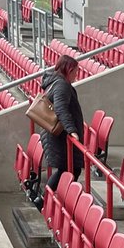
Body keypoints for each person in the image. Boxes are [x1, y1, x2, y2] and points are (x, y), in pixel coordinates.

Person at [38, 53, 84, 204]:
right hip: (59, 137)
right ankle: (46, 201)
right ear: (69, 70)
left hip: (54, 135)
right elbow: (61, 108)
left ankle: (49, 200)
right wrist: (72, 130)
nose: (76, 76)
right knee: (69, 169)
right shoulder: (62, 85)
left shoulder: (55, 82)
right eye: (75, 72)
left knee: (68, 169)